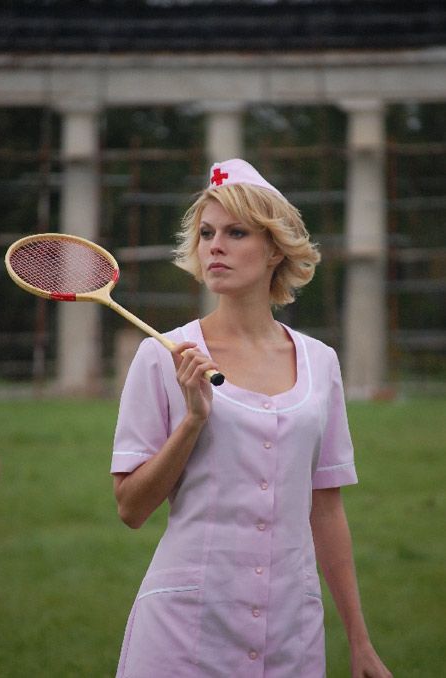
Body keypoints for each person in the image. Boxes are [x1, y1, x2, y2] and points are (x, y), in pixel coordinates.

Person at [111, 159, 392, 678]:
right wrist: (192, 421)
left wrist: (359, 641)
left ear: (274, 249)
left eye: (236, 233)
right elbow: (131, 508)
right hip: (183, 632)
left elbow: (326, 508)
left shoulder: (320, 363)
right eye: (206, 233)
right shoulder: (162, 357)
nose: (214, 246)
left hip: (291, 634)